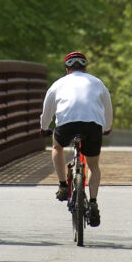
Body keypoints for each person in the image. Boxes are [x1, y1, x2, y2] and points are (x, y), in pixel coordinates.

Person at [40, 51, 113, 228]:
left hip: (67, 126)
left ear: (67, 69)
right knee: (93, 165)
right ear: (85, 68)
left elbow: (47, 111)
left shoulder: (58, 84)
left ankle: (63, 184)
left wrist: (44, 128)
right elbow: (108, 108)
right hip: (92, 126)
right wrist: (107, 127)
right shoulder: (97, 82)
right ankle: (93, 202)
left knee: (57, 147)